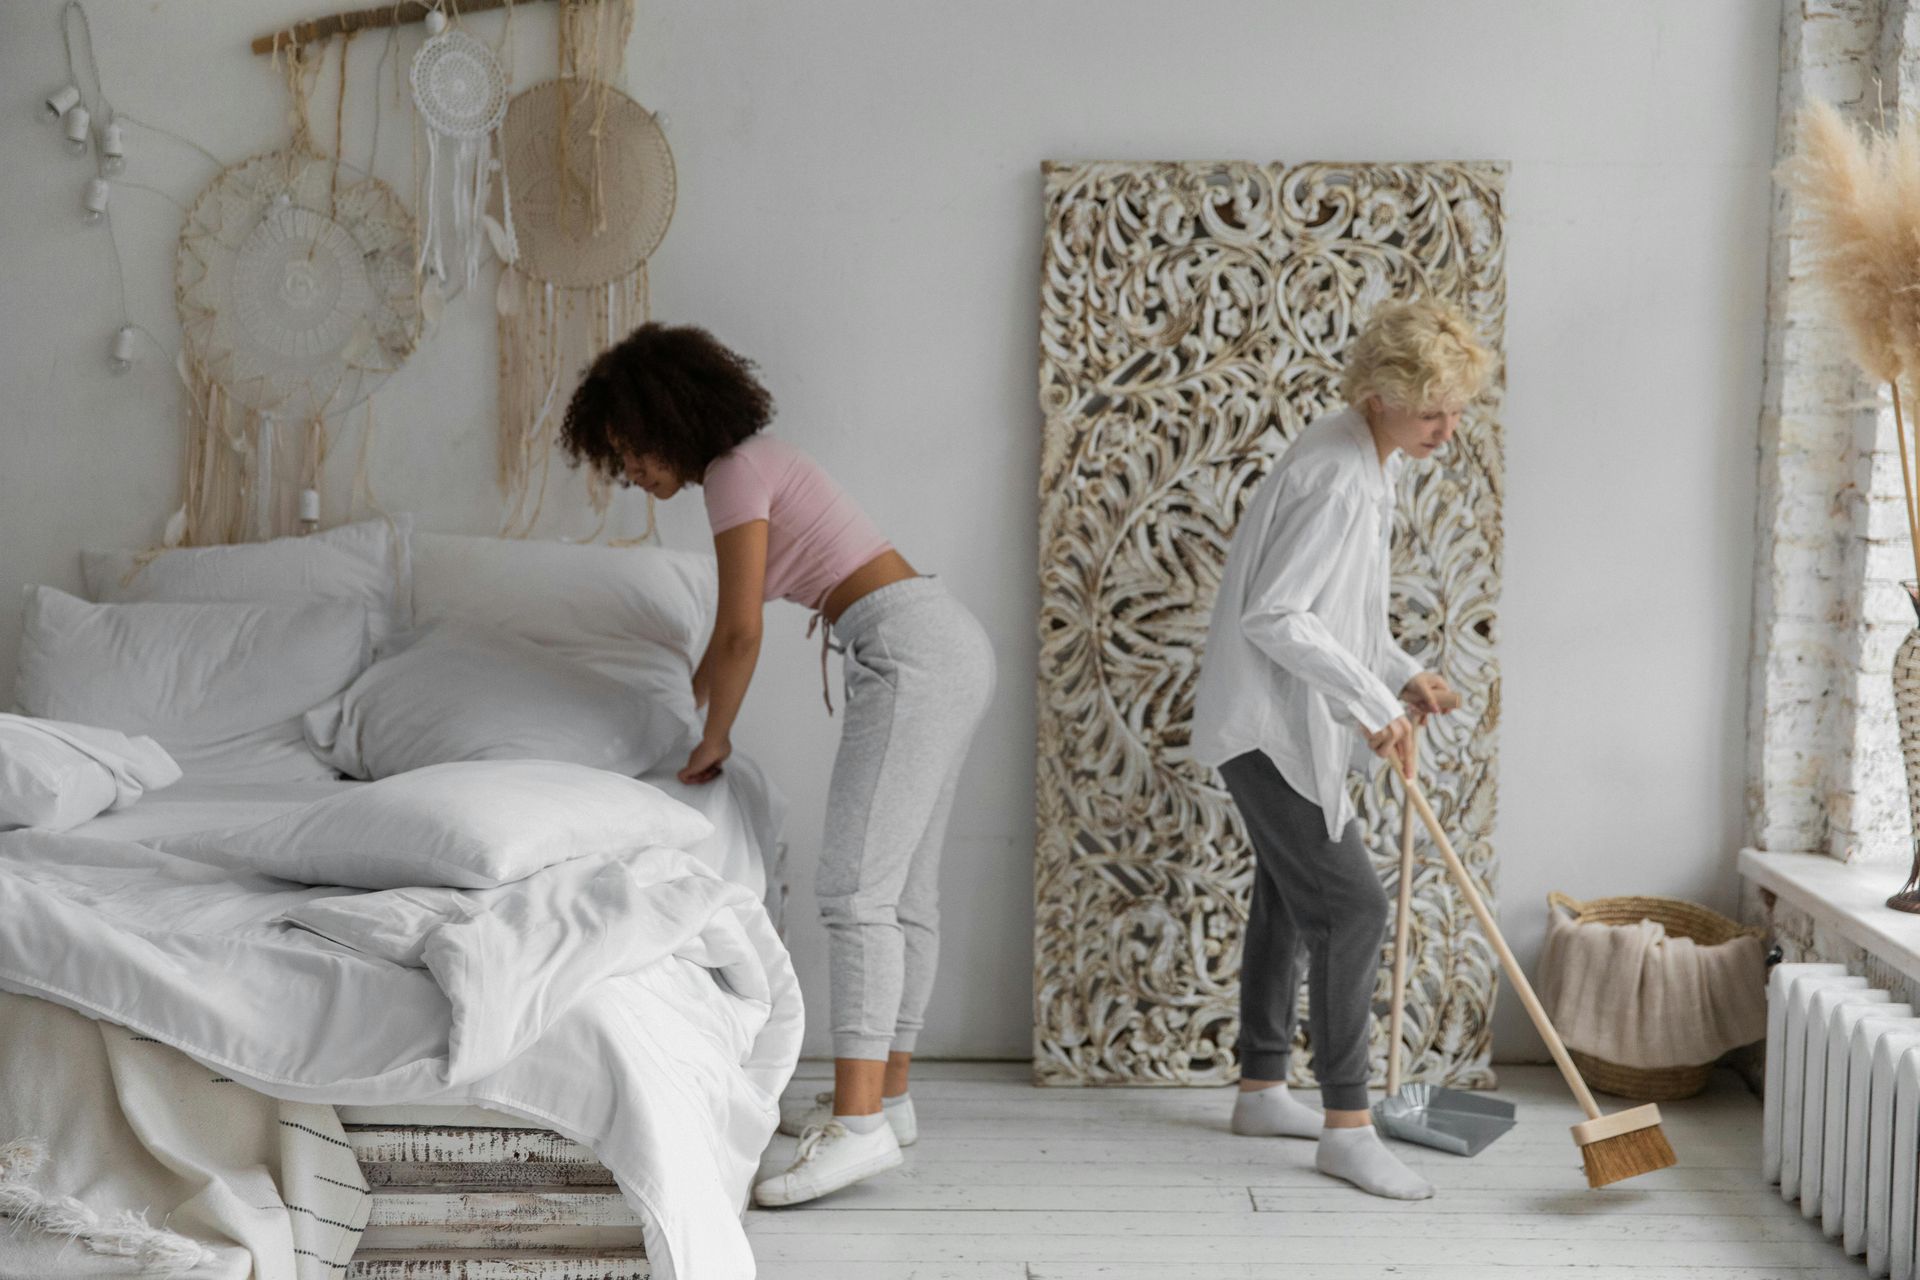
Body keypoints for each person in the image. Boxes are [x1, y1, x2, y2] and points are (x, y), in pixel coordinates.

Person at [561, 323, 996, 1208]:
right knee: (902, 894)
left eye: (630, 452)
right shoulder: (755, 465)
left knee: (855, 891)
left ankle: (862, 1126)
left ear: (665, 419)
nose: (632, 477)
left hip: (909, 650)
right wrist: (682, 710)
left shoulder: (731, 477)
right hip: (938, 640)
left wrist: (714, 739)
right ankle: (891, 1099)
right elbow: (727, 639)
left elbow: (739, 630)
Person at [1189, 298, 1492, 1200]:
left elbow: (1337, 615)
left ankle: (1261, 1085)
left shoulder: (1364, 459)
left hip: (1284, 721)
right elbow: (1275, 614)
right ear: (1380, 394)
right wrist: (1369, 702)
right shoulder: (1337, 475)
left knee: (1289, 900)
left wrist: (1402, 675)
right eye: (1432, 409)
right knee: (1353, 907)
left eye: (1456, 408)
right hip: (1269, 728)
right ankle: (1348, 1126)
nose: (1449, 428)